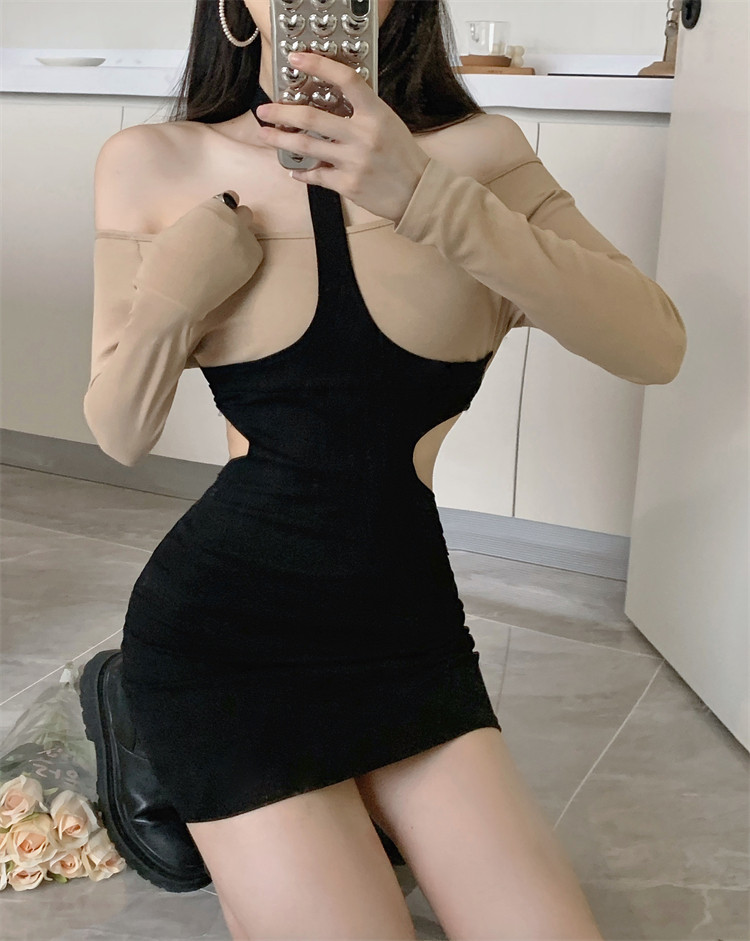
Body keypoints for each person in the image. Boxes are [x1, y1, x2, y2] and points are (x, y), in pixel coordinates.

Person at [81, 0, 687, 938]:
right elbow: (121, 432)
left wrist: (426, 196)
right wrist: (173, 292)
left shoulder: (482, 157)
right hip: (227, 645)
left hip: (408, 637)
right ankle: (140, 710)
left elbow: (655, 346)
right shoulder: (158, 162)